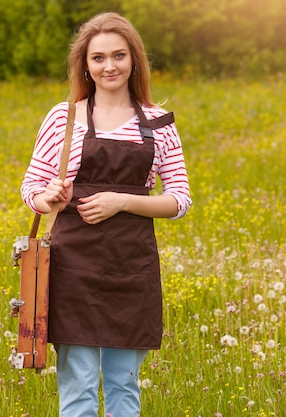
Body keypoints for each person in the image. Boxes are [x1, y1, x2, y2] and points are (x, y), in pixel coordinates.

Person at [20, 12, 192, 417]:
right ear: (85, 64)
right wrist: (49, 198)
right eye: (98, 58)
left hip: (130, 267)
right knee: (78, 385)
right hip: (72, 265)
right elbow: (32, 189)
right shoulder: (63, 118)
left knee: (123, 386)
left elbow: (180, 199)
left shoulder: (159, 124)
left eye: (119, 55)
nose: (109, 66)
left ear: (134, 60)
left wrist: (122, 201)